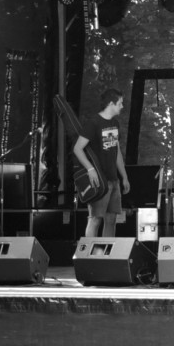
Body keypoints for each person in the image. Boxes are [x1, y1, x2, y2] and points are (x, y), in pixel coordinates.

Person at [74, 88, 131, 237]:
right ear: (111, 103)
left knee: (111, 219)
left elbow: (116, 151)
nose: (122, 106)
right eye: (120, 103)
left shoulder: (115, 123)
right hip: (99, 179)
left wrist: (124, 176)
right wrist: (90, 169)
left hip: (113, 179)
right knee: (95, 219)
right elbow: (78, 149)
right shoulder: (93, 123)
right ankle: (89, 257)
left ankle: (107, 255)